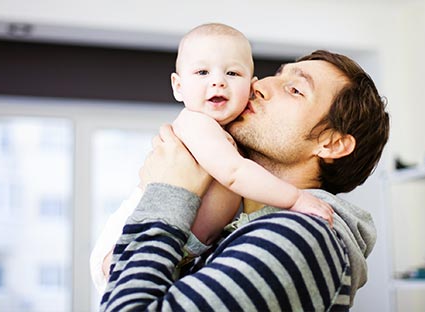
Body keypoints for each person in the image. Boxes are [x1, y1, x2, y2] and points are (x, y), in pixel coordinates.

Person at [99, 49, 390, 311]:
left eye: (294, 89)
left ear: (331, 143)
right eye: (275, 74)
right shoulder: (230, 227)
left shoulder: (300, 237)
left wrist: (169, 191)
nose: (258, 85)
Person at [90, 23, 334, 294]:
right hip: (126, 240)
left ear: (251, 87)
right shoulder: (196, 124)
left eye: (232, 72)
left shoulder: (237, 138)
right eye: (202, 72)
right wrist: (296, 198)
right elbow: (234, 172)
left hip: (181, 250)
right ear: (178, 86)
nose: (217, 81)